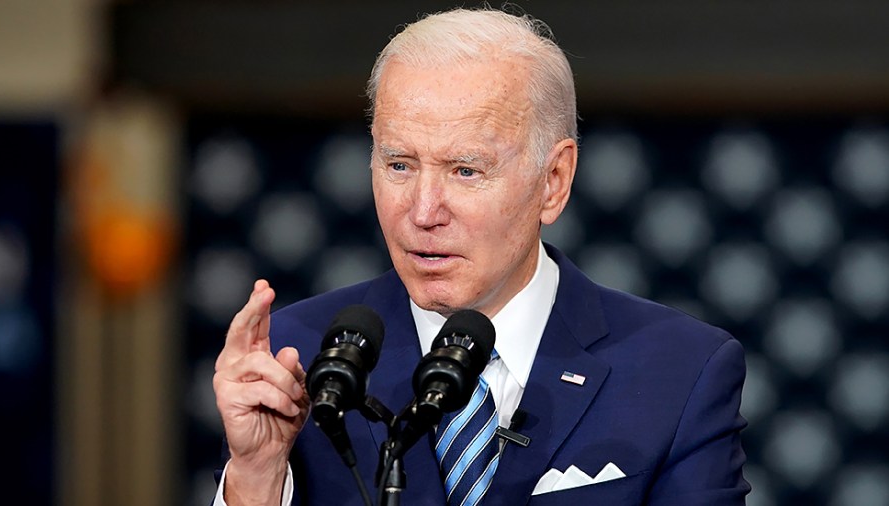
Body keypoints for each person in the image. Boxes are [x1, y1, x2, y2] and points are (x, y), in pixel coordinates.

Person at [212, 7, 750, 506]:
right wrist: (256, 476)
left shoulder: (678, 372)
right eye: (399, 165)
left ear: (553, 181)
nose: (423, 212)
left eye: (465, 171)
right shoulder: (296, 360)